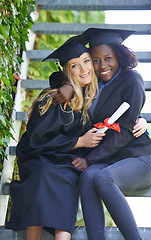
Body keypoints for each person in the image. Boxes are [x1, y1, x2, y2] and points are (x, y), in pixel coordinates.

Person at [5, 38, 105, 240]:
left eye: (86, 61)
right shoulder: (54, 97)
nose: (83, 69)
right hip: (38, 158)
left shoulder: (94, 97)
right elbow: (36, 141)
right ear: (67, 71)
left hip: (67, 163)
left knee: (68, 178)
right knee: (43, 174)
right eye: (74, 65)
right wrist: (79, 142)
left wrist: (136, 118)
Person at [72, 28, 151, 240]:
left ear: (119, 56)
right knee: (88, 177)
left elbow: (128, 129)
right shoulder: (92, 86)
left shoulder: (132, 80)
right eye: (96, 60)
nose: (102, 66)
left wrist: (90, 159)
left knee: (102, 178)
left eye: (108, 58)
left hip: (138, 158)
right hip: (110, 159)